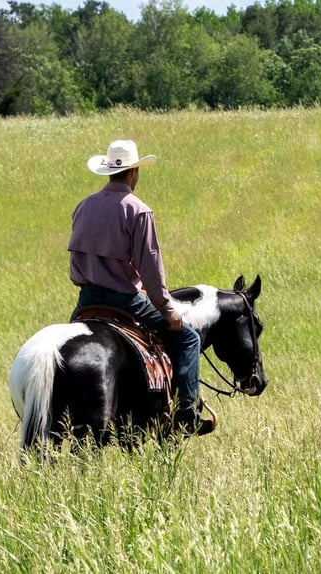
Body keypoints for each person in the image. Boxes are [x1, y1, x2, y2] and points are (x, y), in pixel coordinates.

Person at [68, 140, 213, 436]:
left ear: (108, 171)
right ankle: (187, 411)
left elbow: (74, 266)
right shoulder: (138, 211)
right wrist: (168, 309)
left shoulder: (83, 207)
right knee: (187, 339)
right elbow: (150, 268)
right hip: (125, 301)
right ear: (134, 172)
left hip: (86, 300)